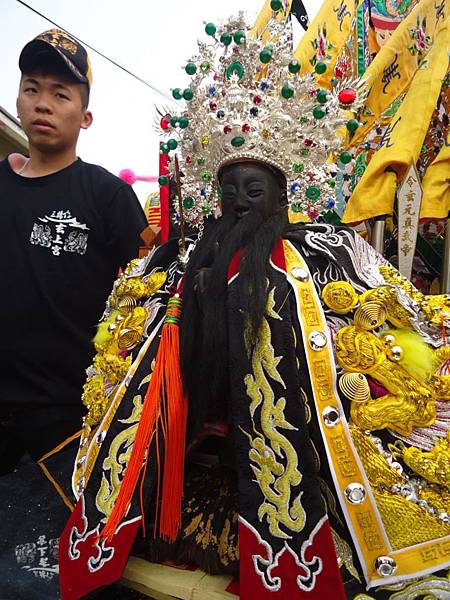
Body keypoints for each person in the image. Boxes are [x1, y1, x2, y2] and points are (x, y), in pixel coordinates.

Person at [20, 13, 450, 600]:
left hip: (298, 451)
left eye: (255, 192)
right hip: (194, 442)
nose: (240, 204)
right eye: (228, 191)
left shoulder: (324, 250)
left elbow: (394, 305)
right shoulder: (187, 255)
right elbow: (133, 327)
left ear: (282, 194)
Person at [0, 29, 147, 475]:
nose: (42, 103)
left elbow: (148, 292)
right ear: (19, 100)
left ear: (85, 116)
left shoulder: (109, 196)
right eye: (32, 89)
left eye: (60, 94)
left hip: (69, 420)